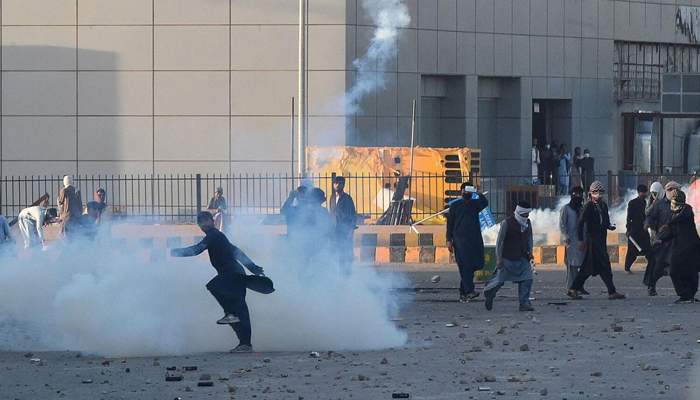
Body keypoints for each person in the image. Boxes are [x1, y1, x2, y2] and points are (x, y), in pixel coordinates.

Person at [170, 211, 265, 353]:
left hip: (232, 274)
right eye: (200, 223)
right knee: (240, 311)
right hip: (236, 274)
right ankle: (245, 344)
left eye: (205, 221)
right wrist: (253, 268)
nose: (202, 225)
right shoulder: (220, 237)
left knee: (215, 286)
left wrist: (176, 252)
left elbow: (197, 249)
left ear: (212, 221)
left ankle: (230, 314)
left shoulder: (214, 235)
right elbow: (237, 252)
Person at [568, 181, 626, 300]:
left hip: (601, 240)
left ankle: (574, 288)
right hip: (592, 240)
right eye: (595, 192)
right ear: (591, 193)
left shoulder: (603, 206)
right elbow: (580, 223)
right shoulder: (588, 206)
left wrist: (609, 226)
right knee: (602, 266)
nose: (598, 194)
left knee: (592, 267)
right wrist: (580, 240)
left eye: (600, 191)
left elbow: (604, 221)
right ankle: (611, 291)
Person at [485, 200, 535, 312]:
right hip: (508, 258)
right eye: (524, 215)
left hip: (522, 257)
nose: (526, 217)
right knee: (498, 282)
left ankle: (524, 303)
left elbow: (530, 238)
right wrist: (499, 258)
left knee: (528, 279)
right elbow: (499, 242)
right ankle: (489, 294)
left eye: (527, 215)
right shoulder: (506, 223)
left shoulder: (528, 223)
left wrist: (530, 252)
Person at [654, 188, 700, 303]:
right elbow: (672, 232)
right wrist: (661, 240)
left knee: (691, 272)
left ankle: (689, 295)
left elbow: (680, 218)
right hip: (679, 248)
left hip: (691, 247)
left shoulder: (687, 210)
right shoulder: (672, 215)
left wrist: (667, 225)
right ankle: (685, 294)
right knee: (674, 271)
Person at [446, 182, 489, 303]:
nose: (467, 193)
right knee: (465, 265)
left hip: (474, 238)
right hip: (460, 239)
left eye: (469, 191)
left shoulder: (475, 204)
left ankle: (463, 292)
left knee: (476, 264)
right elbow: (450, 224)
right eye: (465, 190)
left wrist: (479, 193)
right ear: (461, 191)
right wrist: (449, 240)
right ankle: (469, 291)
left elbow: (484, 204)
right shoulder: (455, 206)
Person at [643, 181, 679, 296]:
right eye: (670, 189)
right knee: (658, 265)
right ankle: (651, 285)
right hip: (662, 239)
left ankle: (685, 291)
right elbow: (650, 216)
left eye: (675, 189)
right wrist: (648, 223)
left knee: (678, 266)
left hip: (677, 238)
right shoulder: (659, 205)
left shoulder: (681, 204)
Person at [559, 186, 589, 295]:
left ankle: (579, 286)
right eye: (575, 194)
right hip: (571, 240)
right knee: (572, 266)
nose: (578, 196)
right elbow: (562, 225)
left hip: (582, 239)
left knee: (582, 265)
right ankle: (570, 288)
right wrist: (565, 237)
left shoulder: (583, 208)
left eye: (580, 194)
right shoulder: (565, 209)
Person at [329, 176, 357, 272]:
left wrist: (351, 230)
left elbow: (353, 214)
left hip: (344, 229)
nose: (337, 185)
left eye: (340, 183)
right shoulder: (332, 197)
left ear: (343, 185)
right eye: (336, 183)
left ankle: (346, 271)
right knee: (334, 250)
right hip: (334, 229)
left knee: (345, 251)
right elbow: (331, 212)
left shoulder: (347, 198)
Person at [624, 185, 651, 275]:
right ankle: (627, 268)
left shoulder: (645, 203)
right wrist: (628, 229)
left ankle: (653, 267)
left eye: (646, 192)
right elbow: (629, 218)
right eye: (643, 192)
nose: (645, 194)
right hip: (634, 231)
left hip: (643, 230)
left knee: (648, 249)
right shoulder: (632, 203)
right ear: (639, 192)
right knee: (632, 251)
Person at [58, 175, 83, 241]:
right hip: (76, 217)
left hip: (66, 217)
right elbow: (80, 204)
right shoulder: (77, 191)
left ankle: (67, 249)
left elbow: (60, 202)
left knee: (63, 235)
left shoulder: (64, 191)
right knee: (74, 235)